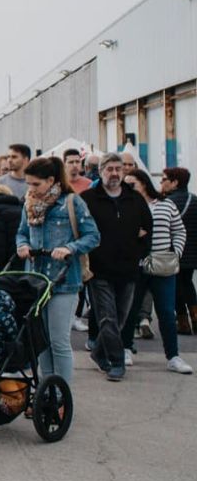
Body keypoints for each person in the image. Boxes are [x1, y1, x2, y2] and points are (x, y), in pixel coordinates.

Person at [13, 156, 100, 383]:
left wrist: (69, 248)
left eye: (36, 184)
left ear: (51, 180)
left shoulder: (72, 202)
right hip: (35, 280)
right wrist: (22, 245)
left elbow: (93, 236)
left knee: (58, 340)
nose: (31, 189)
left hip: (64, 281)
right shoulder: (29, 204)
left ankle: (62, 393)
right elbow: (22, 232)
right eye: (28, 184)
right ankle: (46, 390)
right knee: (40, 341)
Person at [80, 153, 151, 381]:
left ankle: (99, 351)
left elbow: (147, 228)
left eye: (118, 169)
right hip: (99, 270)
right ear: (100, 171)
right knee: (107, 318)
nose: (114, 173)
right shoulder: (89, 198)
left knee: (121, 317)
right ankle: (116, 361)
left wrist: (140, 251)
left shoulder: (135, 199)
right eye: (109, 168)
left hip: (129, 269)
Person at [121, 170, 191, 374]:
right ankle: (125, 348)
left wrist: (175, 253)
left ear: (143, 183)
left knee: (167, 312)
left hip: (162, 264)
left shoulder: (165, 204)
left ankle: (173, 355)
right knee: (130, 309)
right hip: (135, 265)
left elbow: (179, 230)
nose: (129, 188)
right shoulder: (126, 205)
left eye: (132, 184)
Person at [161, 167, 197, 335]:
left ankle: (183, 322)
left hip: (173, 251)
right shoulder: (194, 200)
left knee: (175, 287)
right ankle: (195, 319)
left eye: (164, 180)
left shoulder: (167, 203)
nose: (161, 183)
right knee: (188, 284)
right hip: (192, 253)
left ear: (174, 182)